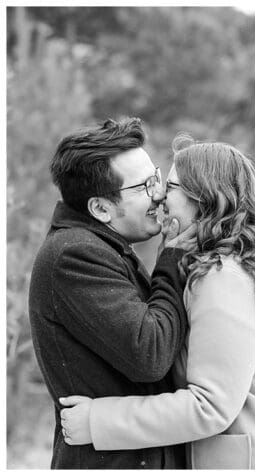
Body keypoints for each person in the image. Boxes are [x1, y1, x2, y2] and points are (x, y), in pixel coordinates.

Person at [58, 134, 255, 469]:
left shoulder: (225, 278)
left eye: (173, 186)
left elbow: (210, 406)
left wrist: (98, 420)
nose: (161, 194)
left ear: (204, 200)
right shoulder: (218, 269)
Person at [28, 117, 195, 469]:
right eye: (144, 187)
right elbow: (149, 352)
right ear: (100, 209)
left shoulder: (101, 245)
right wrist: (173, 255)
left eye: (157, 177)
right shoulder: (73, 256)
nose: (160, 193)